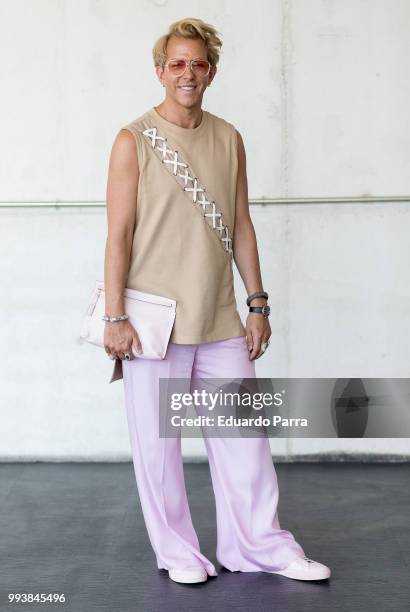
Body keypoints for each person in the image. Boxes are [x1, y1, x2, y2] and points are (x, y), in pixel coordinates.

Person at [103, 17, 331, 584]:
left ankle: (261, 547)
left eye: (197, 64)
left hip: (222, 317)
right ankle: (179, 553)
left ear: (212, 72)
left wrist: (257, 303)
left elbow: (242, 225)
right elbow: (118, 235)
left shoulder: (229, 138)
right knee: (159, 453)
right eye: (176, 63)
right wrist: (114, 316)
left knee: (244, 443)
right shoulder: (133, 140)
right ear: (160, 70)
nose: (187, 73)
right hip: (153, 322)